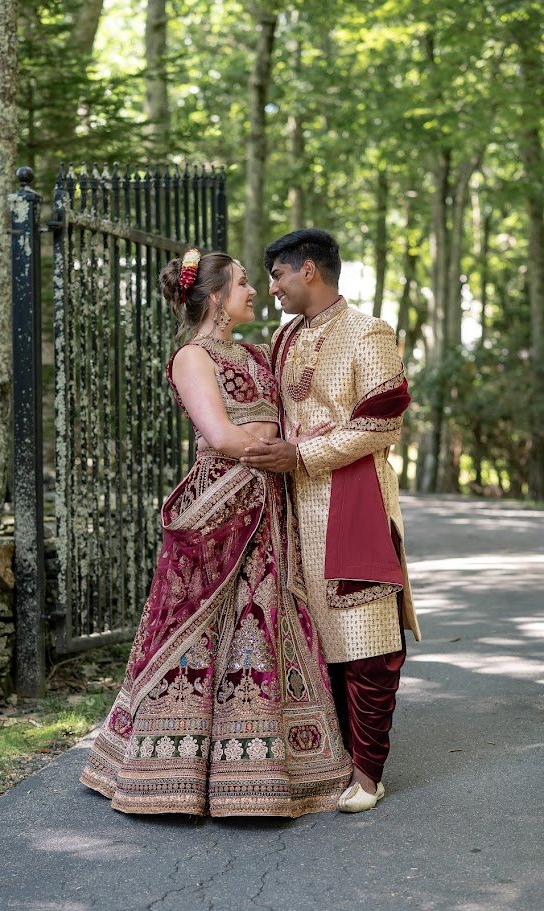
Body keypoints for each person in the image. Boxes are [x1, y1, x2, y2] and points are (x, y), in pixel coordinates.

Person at [80, 248, 352, 817]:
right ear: (215, 298)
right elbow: (223, 436)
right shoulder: (192, 356)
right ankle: (172, 770)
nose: (255, 292)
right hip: (221, 506)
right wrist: (286, 453)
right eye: (244, 284)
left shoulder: (255, 352)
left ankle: (265, 770)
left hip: (269, 505)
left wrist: (303, 447)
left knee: (263, 628)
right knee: (200, 631)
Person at [240, 229, 421, 813]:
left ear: (309, 270)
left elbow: (381, 427)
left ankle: (369, 774)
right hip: (292, 504)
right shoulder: (284, 336)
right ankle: (332, 759)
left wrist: (302, 455)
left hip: (352, 497)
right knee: (313, 633)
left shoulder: (367, 334)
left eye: (278, 276)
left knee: (365, 633)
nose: (272, 289)